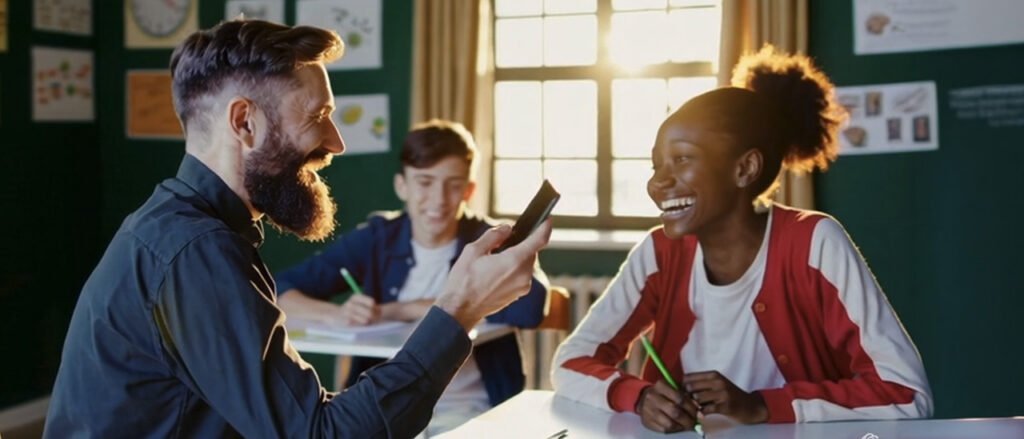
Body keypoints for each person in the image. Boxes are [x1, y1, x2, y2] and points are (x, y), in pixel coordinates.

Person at [44, 19, 551, 438]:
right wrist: (457, 309)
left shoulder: (183, 228)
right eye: (319, 116)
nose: (336, 142)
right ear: (245, 123)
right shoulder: (195, 250)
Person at [551, 46, 932, 434]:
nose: (658, 182)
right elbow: (569, 364)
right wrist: (638, 396)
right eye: (656, 166)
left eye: (682, 159)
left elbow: (906, 394)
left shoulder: (815, 243)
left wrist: (763, 406)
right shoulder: (658, 253)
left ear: (745, 168)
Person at [274, 119, 550, 435]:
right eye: (425, 182)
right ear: (401, 185)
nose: (438, 198)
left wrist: (398, 309)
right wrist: (338, 314)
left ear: (469, 190)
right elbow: (280, 290)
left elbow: (532, 307)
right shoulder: (378, 239)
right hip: (389, 412)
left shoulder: (489, 239)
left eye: (453, 184)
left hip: (473, 412)